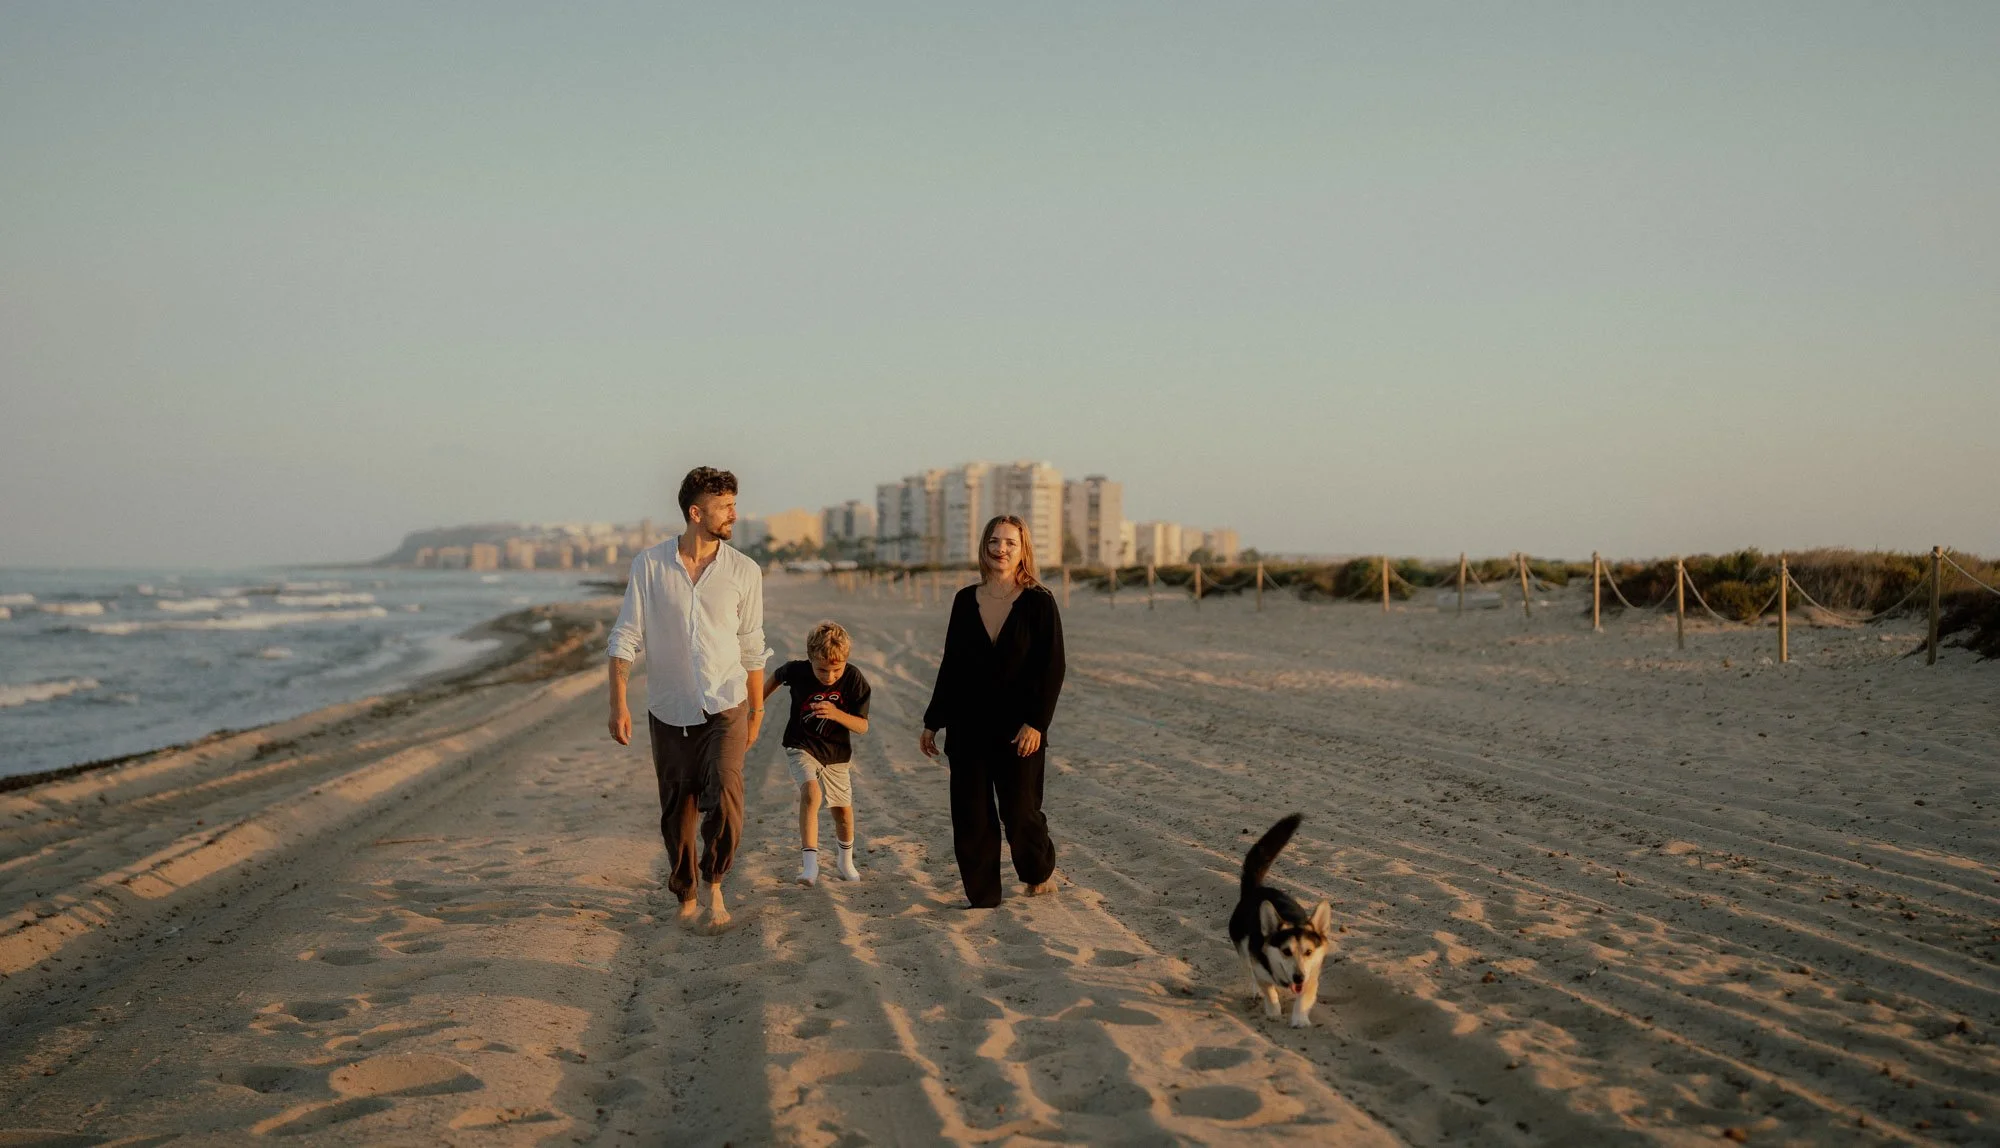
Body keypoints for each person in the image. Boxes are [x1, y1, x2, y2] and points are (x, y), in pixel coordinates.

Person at [606, 466, 769, 933]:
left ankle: (716, 884)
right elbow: (626, 636)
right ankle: (686, 891)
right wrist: (618, 702)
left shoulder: (744, 571)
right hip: (669, 707)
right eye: (725, 507)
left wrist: (756, 710)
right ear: (696, 513)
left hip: (727, 704)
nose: (734, 514)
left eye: (734, 505)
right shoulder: (650, 565)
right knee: (678, 808)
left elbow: (752, 645)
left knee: (728, 794)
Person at [919, 515, 1066, 908]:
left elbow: (1053, 668)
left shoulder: (1039, 601)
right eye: (994, 541)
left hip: (1020, 729)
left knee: (1021, 813)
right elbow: (952, 664)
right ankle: (982, 896)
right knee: (971, 817)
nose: (1001, 549)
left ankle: (1037, 872)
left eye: (1010, 543)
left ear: (1023, 550)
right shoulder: (965, 600)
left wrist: (1037, 722)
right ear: (984, 546)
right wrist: (933, 721)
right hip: (968, 726)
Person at [762, 620, 871, 886]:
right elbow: (776, 676)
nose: (830, 676)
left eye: (836, 670)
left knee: (842, 812)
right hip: (801, 744)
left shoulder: (854, 678)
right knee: (811, 794)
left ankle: (845, 863)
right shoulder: (797, 671)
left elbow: (862, 726)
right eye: (822, 670)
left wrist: (837, 714)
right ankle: (810, 867)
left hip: (836, 753)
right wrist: (757, 705)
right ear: (810, 658)